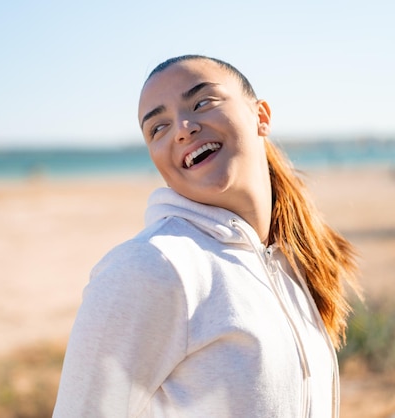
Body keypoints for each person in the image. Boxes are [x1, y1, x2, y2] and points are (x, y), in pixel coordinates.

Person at [53, 55, 361, 417]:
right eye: (158, 128)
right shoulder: (149, 268)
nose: (182, 129)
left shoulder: (291, 260)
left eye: (201, 103)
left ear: (261, 117)